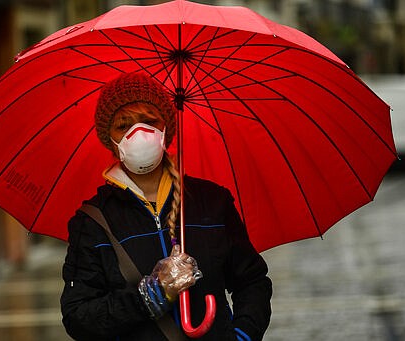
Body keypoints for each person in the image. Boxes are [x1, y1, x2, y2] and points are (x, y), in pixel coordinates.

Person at [60, 72, 272, 340]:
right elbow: (79, 317)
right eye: (123, 125)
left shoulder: (212, 202)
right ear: (110, 140)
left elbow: (252, 282)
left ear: (166, 130)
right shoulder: (92, 222)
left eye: (149, 121)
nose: (138, 133)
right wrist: (150, 296)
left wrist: (242, 335)